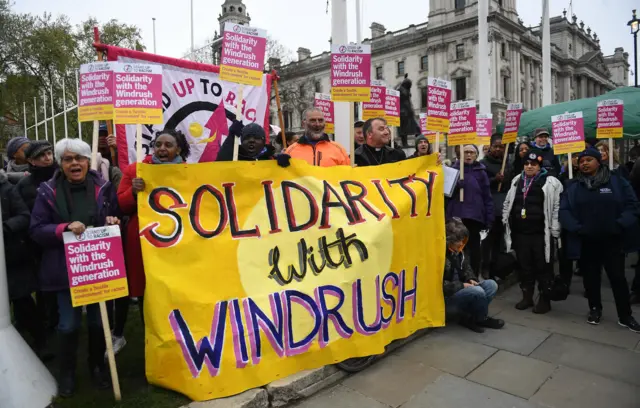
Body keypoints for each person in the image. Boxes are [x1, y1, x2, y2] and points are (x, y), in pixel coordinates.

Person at [29, 138, 121, 396]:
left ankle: (96, 366)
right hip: (65, 270)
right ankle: (67, 372)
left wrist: (113, 219)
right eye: (68, 159)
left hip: (98, 269)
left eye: (79, 158)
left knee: (97, 323)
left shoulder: (102, 187)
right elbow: (36, 229)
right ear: (61, 163)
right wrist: (63, 228)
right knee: (68, 325)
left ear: (87, 161)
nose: (74, 163)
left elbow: (114, 214)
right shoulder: (48, 191)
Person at [560, 147, 640, 332]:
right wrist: (577, 229)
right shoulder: (573, 186)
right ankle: (595, 308)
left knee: (617, 278)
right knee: (591, 277)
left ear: (599, 162)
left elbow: (632, 205)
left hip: (613, 240)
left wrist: (620, 224)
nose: (584, 163)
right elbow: (564, 211)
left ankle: (625, 315)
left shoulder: (617, 182)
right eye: (581, 161)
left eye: (589, 160)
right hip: (587, 241)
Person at [118, 129, 191, 328]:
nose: (162, 149)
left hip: (178, 240)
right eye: (158, 144)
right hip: (144, 239)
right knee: (147, 290)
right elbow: (121, 205)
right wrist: (133, 192)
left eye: (168, 145)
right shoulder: (136, 171)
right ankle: (150, 335)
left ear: (179, 149)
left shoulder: (189, 173)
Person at [502, 149, 562, 314]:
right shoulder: (517, 180)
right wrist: (505, 218)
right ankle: (527, 296)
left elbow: (556, 207)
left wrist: (555, 227)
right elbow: (508, 202)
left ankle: (544, 299)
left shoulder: (550, 182)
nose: (529, 167)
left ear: (539, 166)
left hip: (541, 234)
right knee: (524, 266)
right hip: (521, 233)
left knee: (543, 267)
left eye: (533, 164)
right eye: (527, 164)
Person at [3, 167, 49, 360]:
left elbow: (24, 216)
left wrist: (4, 228)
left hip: (10, 255)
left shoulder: (5, 188)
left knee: (23, 301)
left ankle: (41, 342)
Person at [15, 140, 60, 334]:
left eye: (49, 153)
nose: (47, 158)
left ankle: (63, 316)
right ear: (32, 161)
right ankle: (48, 319)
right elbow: (23, 212)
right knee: (45, 284)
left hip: (62, 234)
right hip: (39, 241)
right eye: (42, 155)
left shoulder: (62, 176)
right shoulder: (24, 184)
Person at [443, 218, 505, 333]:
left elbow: (467, 269)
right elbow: (440, 286)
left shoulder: (461, 252)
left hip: (462, 288)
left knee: (491, 285)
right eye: (459, 240)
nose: (462, 243)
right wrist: (462, 285)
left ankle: (471, 317)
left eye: (463, 240)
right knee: (477, 292)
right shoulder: (440, 255)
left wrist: (471, 279)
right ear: (449, 240)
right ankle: (481, 318)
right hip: (448, 298)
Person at [446, 144, 494, 277]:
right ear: (460, 154)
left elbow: (487, 196)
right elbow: (445, 194)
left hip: (475, 217)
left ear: (476, 155)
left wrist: (489, 218)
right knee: (457, 248)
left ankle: (473, 276)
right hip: (457, 217)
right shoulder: (452, 171)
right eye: (466, 152)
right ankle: (458, 278)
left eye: (472, 152)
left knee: (474, 249)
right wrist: (455, 187)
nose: (468, 155)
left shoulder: (481, 172)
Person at [480, 134, 510, 279]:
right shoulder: (483, 164)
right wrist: (494, 179)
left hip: (502, 207)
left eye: (501, 147)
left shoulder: (507, 163)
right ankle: (485, 268)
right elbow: (481, 184)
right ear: (490, 147)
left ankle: (496, 269)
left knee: (499, 240)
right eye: (496, 146)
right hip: (489, 207)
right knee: (487, 241)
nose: (498, 149)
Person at [284, 108, 350, 167]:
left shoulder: (339, 149)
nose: (317, 124)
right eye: (313, 120)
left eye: (320, 120)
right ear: (303, 124)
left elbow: (348, 176)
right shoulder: (290, 151)